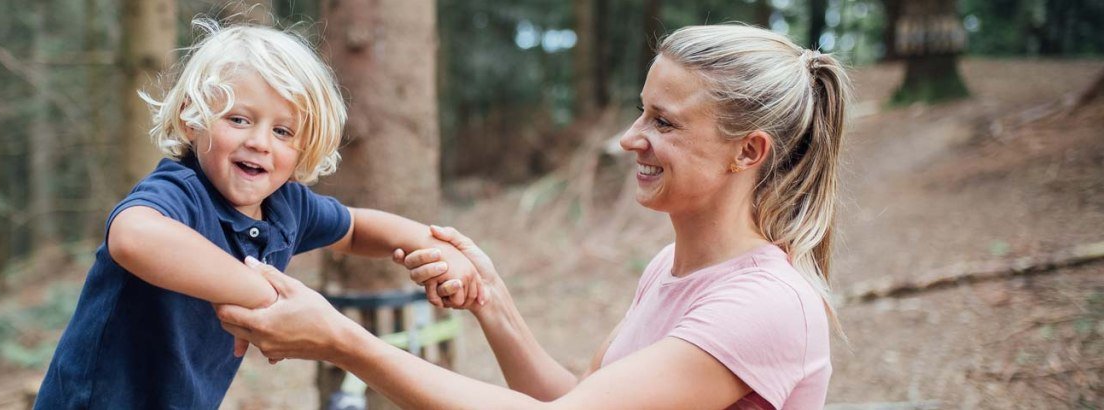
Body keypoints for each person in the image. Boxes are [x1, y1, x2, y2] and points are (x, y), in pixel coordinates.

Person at [216, 23, 849, 408]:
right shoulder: (669, 270)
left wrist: (341, 341)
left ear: (749, 151)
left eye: (664, 122)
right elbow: (578, 398)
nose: (631, 138)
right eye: (642, 111)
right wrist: (492, 299)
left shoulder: (764, 306)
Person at [34, 19, 483, 409]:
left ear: (303, 146)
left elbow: (357, 228)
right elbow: (133, 238)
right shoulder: (181, 192)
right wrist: (265, 295)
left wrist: (435, 247)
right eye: (238, 120)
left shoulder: (287, 204)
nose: (260, 142)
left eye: (282, 130)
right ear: (193, 119)